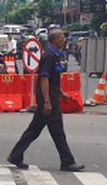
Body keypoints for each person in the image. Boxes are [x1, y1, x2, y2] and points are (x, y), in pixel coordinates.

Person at [7, 28, 85, 172]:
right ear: (55, 40)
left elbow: (53, 79)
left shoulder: (55, 55)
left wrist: (61, 93)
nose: (64, 39)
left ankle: (16, 155)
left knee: (35, 130)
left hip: (51, 97)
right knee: (57, 132)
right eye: (62, 37)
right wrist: (47, 102)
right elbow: (44, 78)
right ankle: (67, 161)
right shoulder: (48, 56)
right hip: (48, 100)